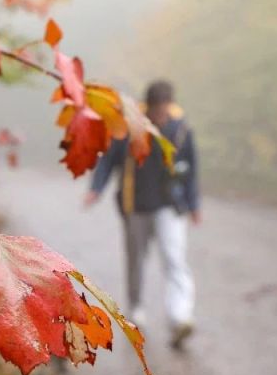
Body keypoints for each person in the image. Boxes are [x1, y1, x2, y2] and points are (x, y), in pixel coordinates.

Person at [83, 80, 200, 349]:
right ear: (148, 107)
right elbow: (108, 160)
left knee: (175, 259)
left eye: (165, 109)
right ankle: (136, 309)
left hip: (170, 206)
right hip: (135, 206)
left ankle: (179, 318)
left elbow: (191, 168)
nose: (162, 115)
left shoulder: (180, 128)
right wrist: (96, 189)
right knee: (136, 260)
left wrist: (194, 205)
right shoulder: (129, 127)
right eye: (157, 110)